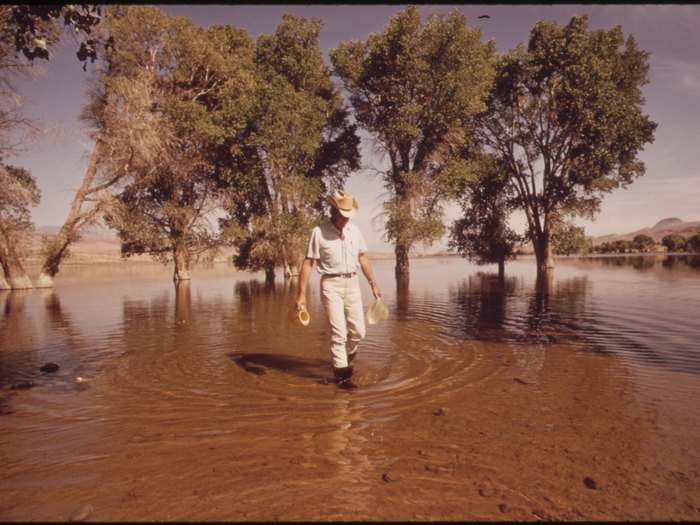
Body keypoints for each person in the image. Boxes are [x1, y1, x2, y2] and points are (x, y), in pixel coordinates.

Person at [296, 190, 382, 389]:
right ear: (333, 211)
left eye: (348, 216)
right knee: (339, 333)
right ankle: (342, 377)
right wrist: (301, 295)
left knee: (359, 332)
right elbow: (308, 263)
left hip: (352, 283)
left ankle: (345, 358)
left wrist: (373, 284)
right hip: (330, 284)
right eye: (343, 216)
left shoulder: (355, 231)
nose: (345, 220)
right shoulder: (318, 232)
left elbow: (363, 258)